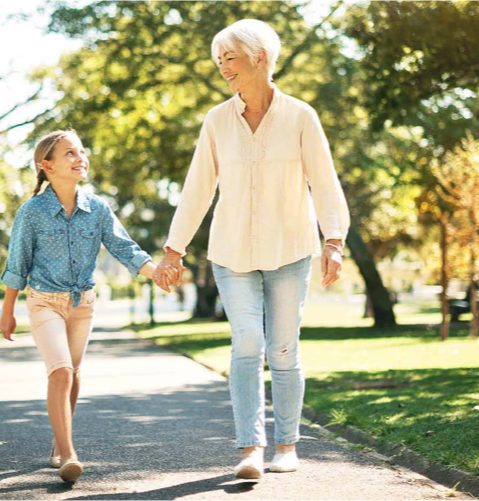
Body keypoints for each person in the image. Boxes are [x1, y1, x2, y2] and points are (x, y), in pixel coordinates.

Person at [153, 19, 350, 480]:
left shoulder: (301, 115)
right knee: (246, 343)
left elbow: (324, 180)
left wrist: (334, 241)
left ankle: (286, 444)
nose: (223, 68)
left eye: (231, 58)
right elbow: (198, 187)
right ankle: (250, 448)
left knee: (283, 349)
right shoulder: (217, 120)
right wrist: (174, 249)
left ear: (259, 57)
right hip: (231, 252)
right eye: (219, 60)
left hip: (291, 249)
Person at [0, 130, 175, 482]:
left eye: (81, 151)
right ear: (46, 165)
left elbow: (124, 248)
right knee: (61, 371)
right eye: (70, 154)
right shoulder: (32, 213)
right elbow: (17, 263)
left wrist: (156, 273)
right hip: (44, 301)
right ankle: (68, 454)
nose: (81, 158)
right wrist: (8, 311)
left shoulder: (97, 208)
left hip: (83, 304)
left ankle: (58, 441)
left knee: (73, 374)